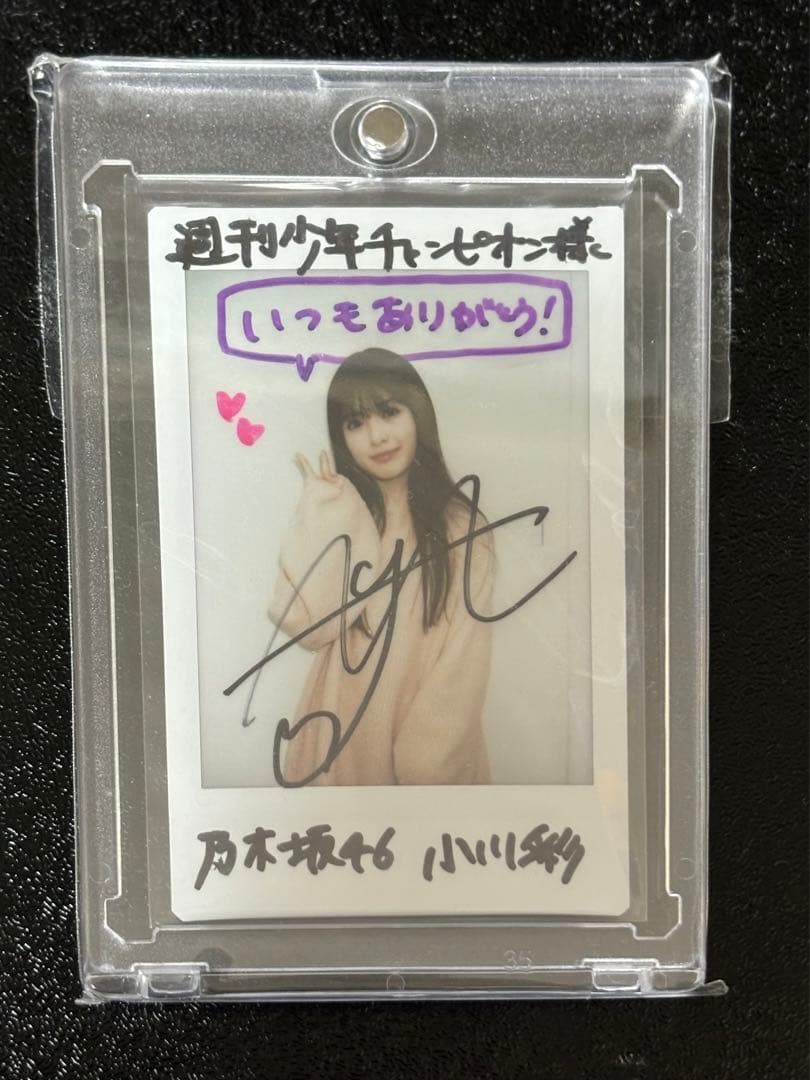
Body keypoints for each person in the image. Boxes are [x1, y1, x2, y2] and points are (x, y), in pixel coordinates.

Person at [268, 347, 494, 786]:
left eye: (389, 412)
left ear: (418, 414)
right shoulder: (346, 516)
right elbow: (306, 626)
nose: (376, 436)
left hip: (429, 764)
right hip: (338, 746)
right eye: (355, 423)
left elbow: (463, 669)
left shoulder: (464, 529)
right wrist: (323, 516)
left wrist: (423, 771)